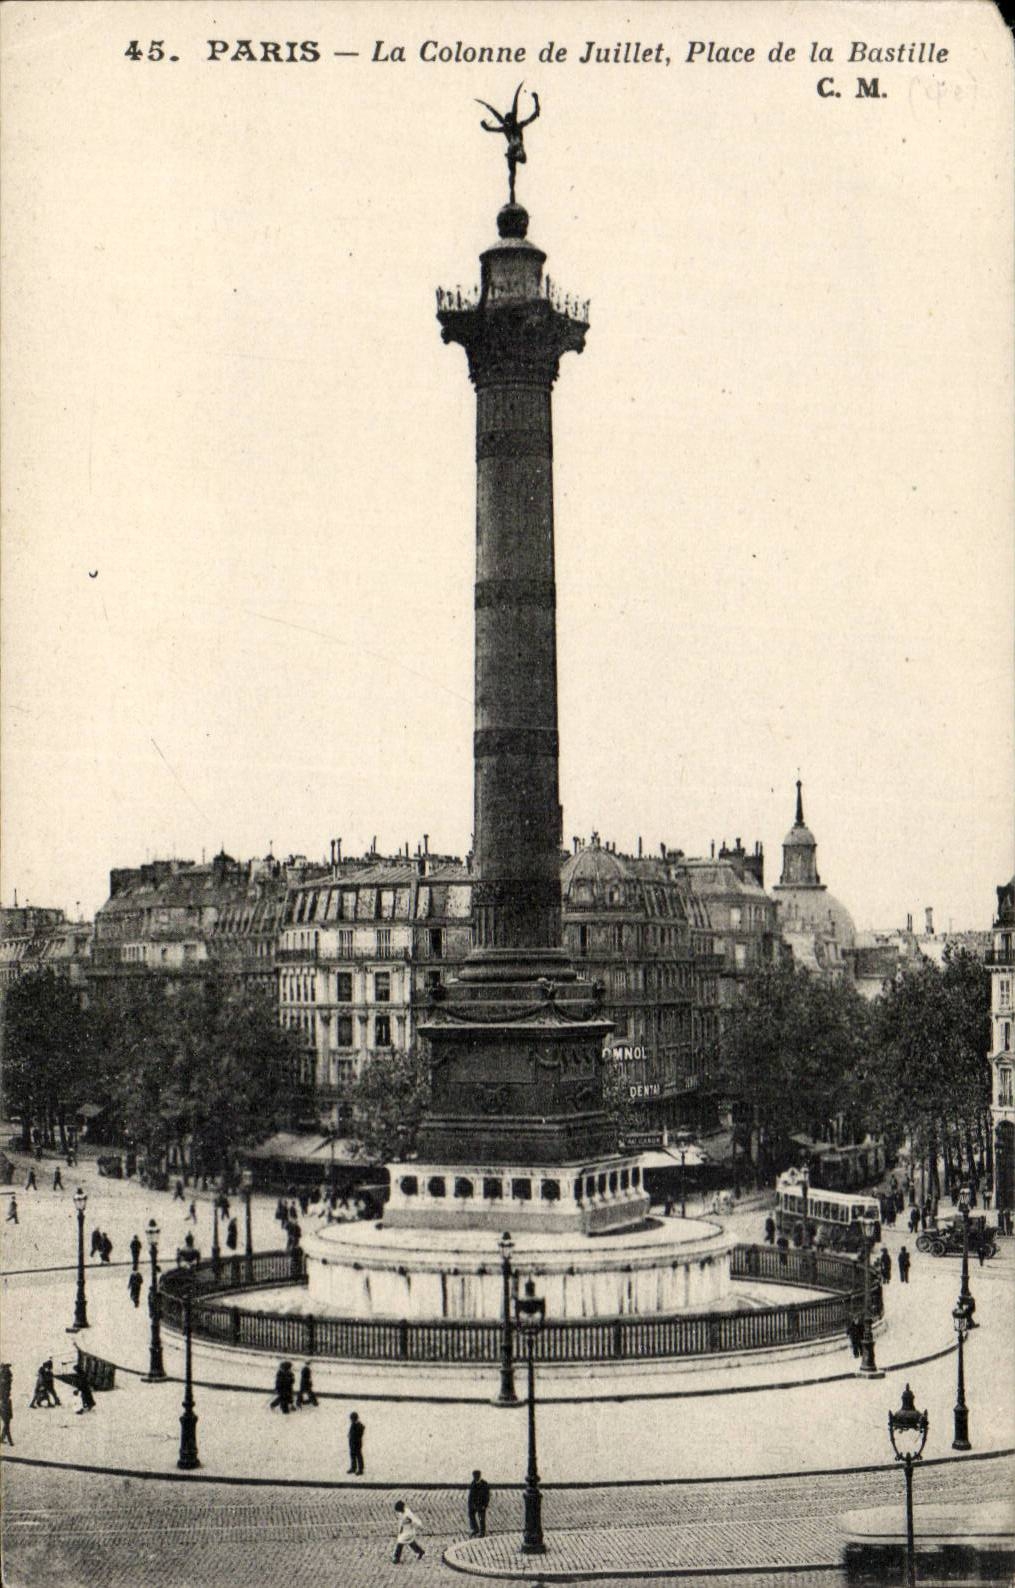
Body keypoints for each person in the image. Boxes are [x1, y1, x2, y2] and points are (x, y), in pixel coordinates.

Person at [467, 1470, 491, 1537]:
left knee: (481, 1518)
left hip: (481, 1504)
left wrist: (485, 1505)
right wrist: (471, 1505)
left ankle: (482, 1532)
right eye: (474, 1476)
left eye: (476, 1476)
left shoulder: (484, 1484)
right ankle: (475, 1529)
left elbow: (487, 1495)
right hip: (474, 1504)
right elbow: (470, 1495)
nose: (475, 1478)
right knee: (471, 1515)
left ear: (479, 1476)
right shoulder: (473, 1483)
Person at [0, 1364, 13, 1446]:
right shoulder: (3, 1380)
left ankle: (2, 1438)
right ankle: (10, 1440)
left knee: (6, 1423)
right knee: (6, 1423)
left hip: (5, 1402)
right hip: (4, 1403)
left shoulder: (6, 1376)